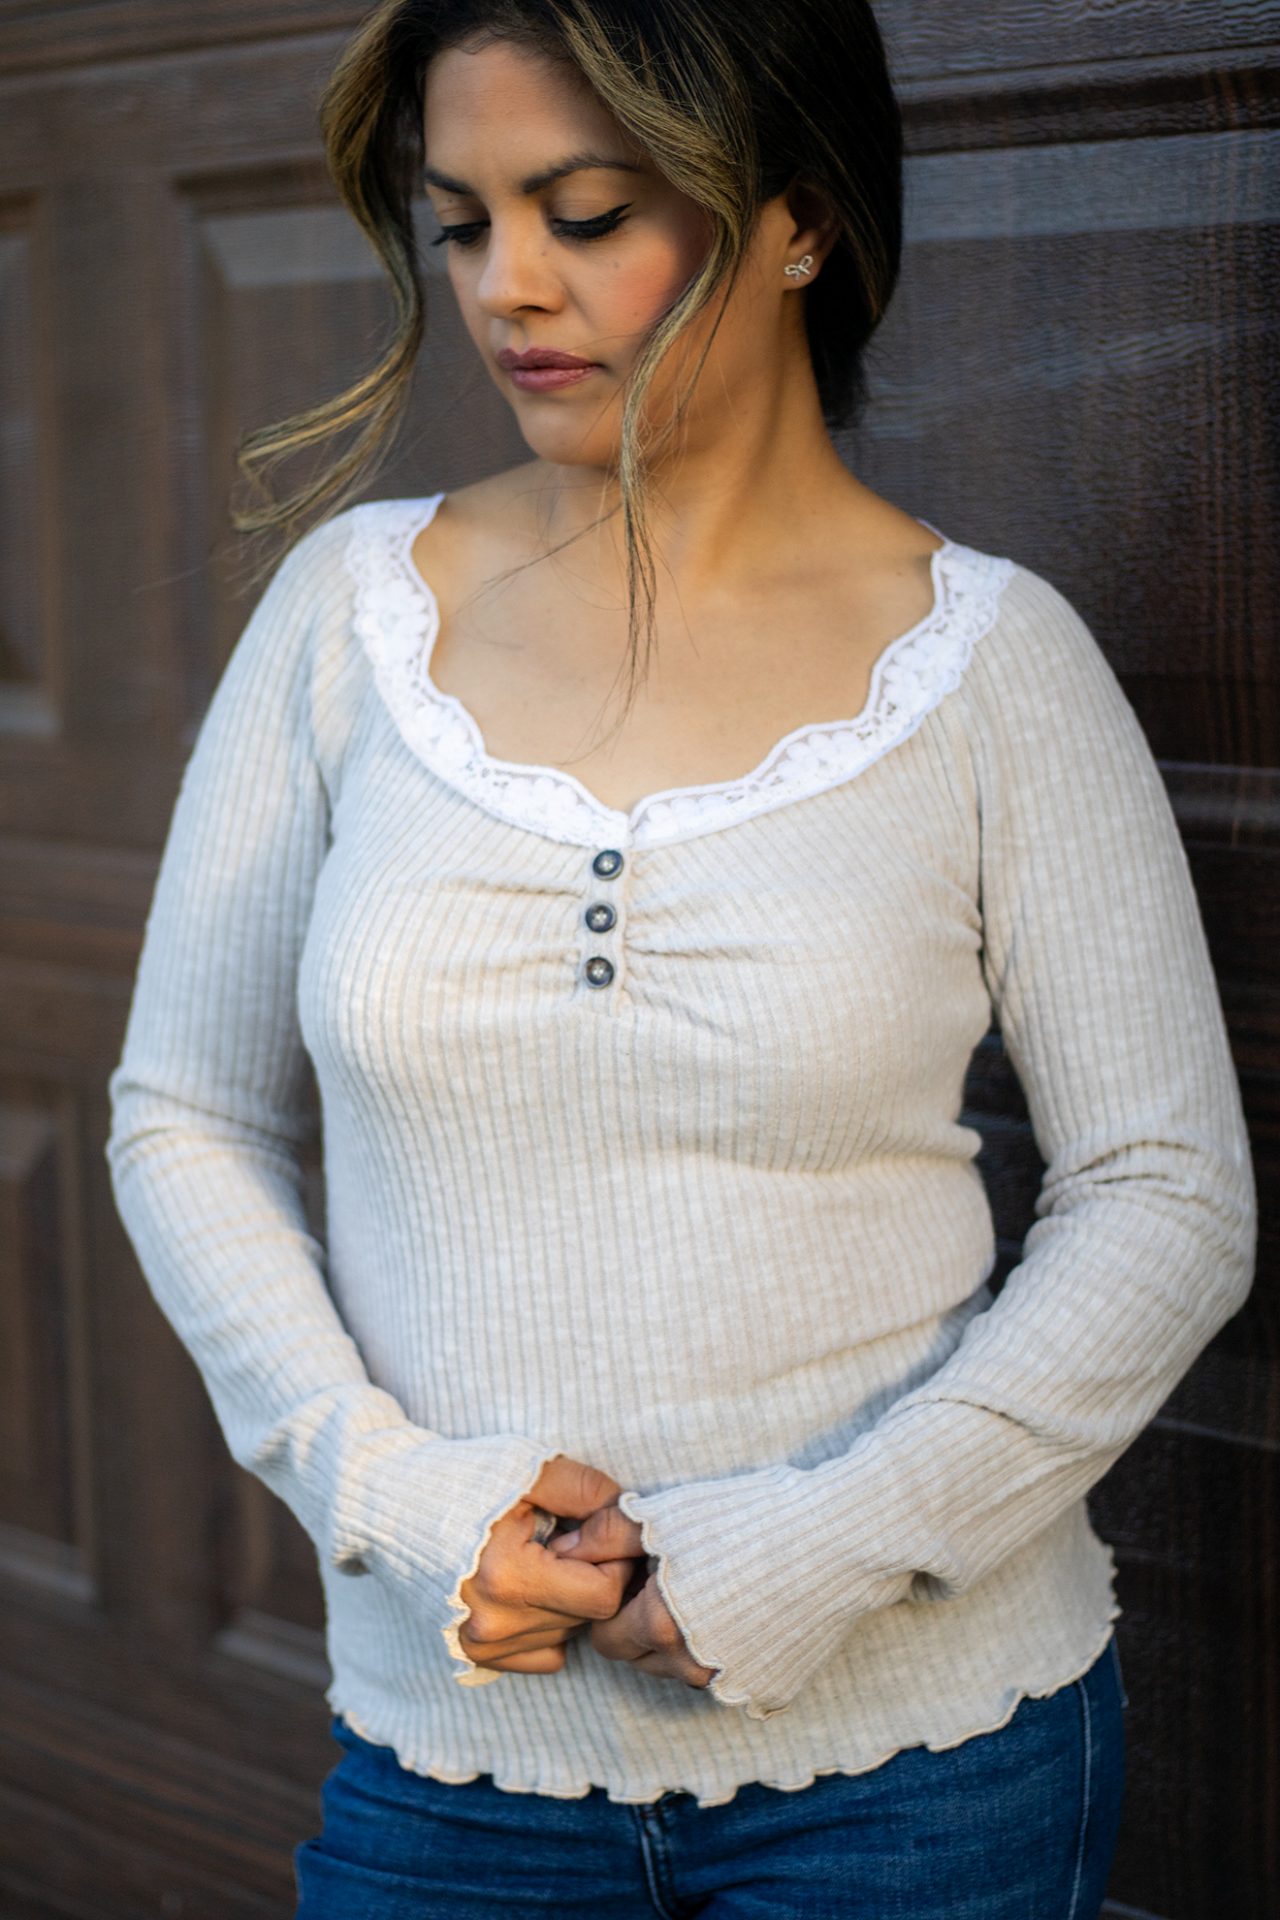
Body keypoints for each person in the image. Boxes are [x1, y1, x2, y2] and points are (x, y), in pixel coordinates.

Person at [104, 0, 1257, 1914]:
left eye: (588, 210)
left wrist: (821, 1544)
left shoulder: (991, 665)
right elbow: (184, 1114)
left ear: (795, 214)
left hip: (928, 1772)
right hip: (452, 1756)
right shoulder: (351, 615)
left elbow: (1168, 1194)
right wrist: (399, 1501)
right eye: (465, 221)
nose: (509, 289)